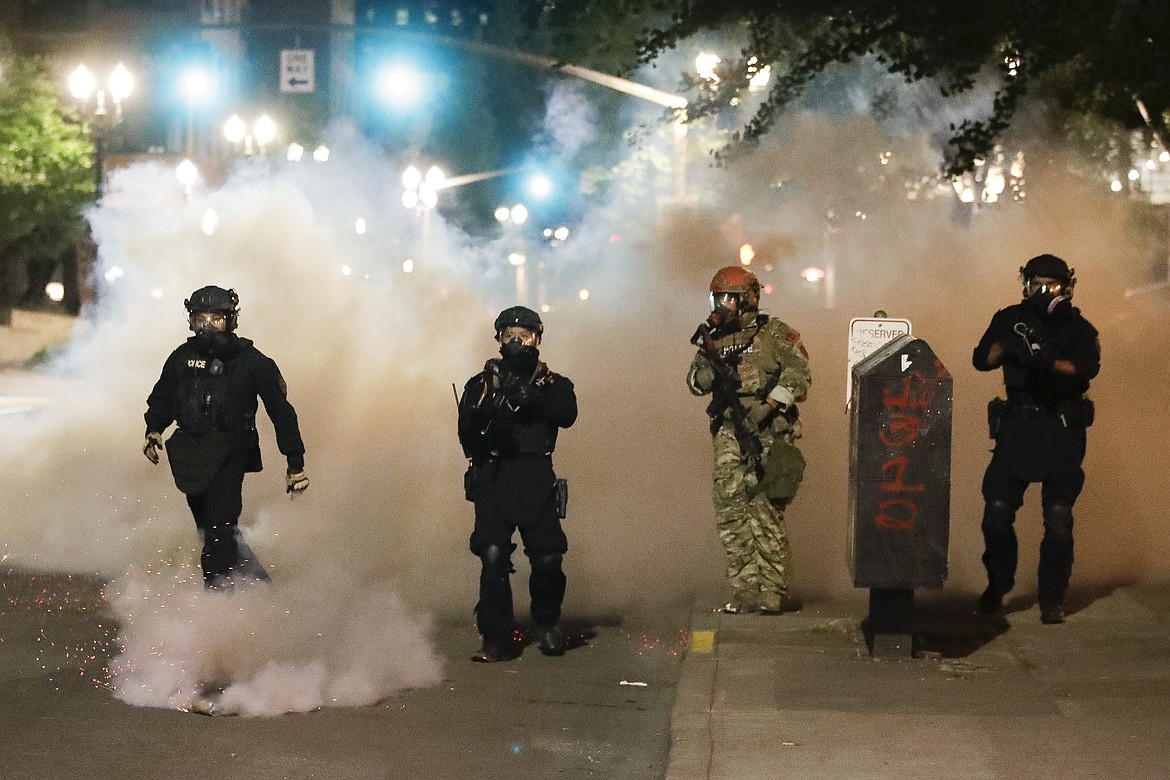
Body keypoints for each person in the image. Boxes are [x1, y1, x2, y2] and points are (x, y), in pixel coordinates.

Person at [143, 285, 309, 590]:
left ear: (230, 320)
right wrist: (153, 428)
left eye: (215, 318)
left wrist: (294, 463)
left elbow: (282, 414)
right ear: (190, 321)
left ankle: (218, 606)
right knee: (211, 529)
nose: (207, 326)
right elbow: (163, 397)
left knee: (218, 532)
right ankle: (260, 588)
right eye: (200, 318)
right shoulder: (181, 358)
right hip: (190, 454)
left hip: (231, 450)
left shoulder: (252, 362)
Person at [973, 254, 1100, 624]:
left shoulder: (1078, 327)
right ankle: (998, 585)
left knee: (1058, 518)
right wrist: (1008, 347)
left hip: (1060, 428)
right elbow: (983, 359)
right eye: (1036, 283)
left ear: (1068, 287)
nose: (1043, 291)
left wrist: (1046, 359)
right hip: (1018, 429)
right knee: (996, 513)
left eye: (1053, 285)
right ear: (1025, 284)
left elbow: (1085, 369)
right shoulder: (1009, 318)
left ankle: (1051, 599)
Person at [686, 266, 812, 615]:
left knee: (765, 509)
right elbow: (694, 383)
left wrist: (768, 406)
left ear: (748, 300)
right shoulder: (713, 338)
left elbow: (800, 374)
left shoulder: (774, 334)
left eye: (728, 298)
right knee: (731, 509)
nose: (722, 306)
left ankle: (772, 590)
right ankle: (744, 588)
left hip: (769, 431)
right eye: (718, 298)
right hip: (729, 432)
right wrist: (711, 371)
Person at [458, 306, 578, 662]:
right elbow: (465, 432)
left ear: (537, 338)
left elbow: (567, 414)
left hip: (535, 476)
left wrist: (534, 399)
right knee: (493, 556)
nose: (515, 342)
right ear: (497, 339)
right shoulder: (481, 385)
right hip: (494, 477)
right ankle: (496, 636)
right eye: (508, 335)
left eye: (523, 336)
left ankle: (547, 621)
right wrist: (488, 410)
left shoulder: (553, 383)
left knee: (547, 558)